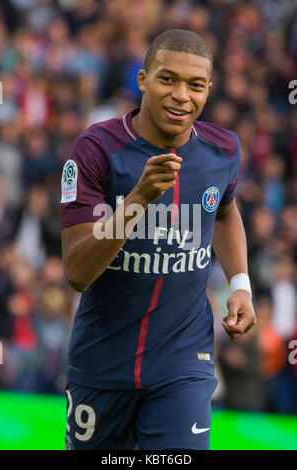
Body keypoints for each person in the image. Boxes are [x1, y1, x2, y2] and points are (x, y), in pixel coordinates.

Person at [61, 29, 256, 450]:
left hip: (183, 362)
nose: (181, 95)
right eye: (168, 79)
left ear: (209, 90)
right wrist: (137, 201)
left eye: (195, 84)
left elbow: (224, 211)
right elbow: (76, 272)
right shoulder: (95, 150)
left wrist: (240, 284)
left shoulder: (223, 150)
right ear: (144, 80)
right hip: (102, 362)